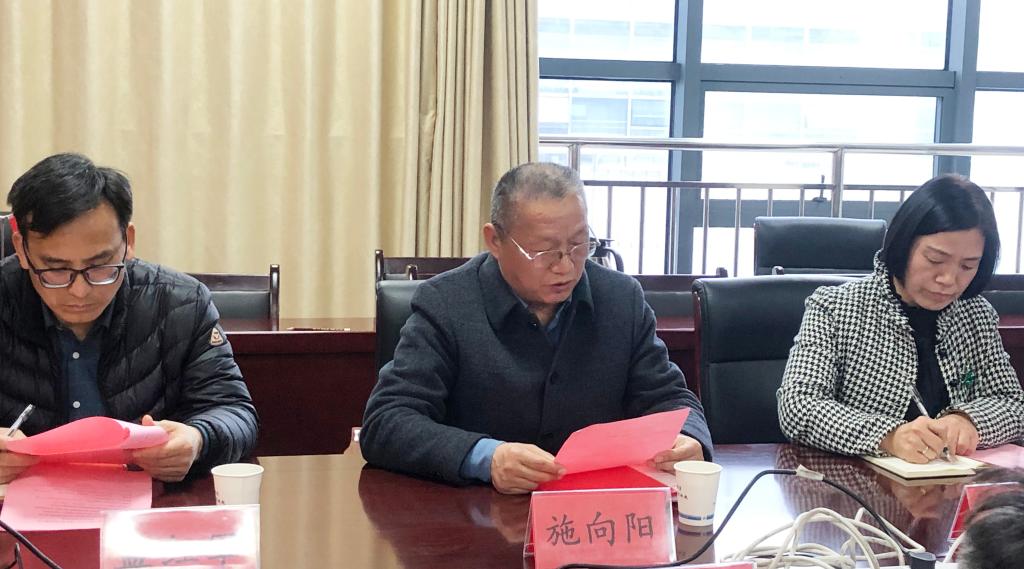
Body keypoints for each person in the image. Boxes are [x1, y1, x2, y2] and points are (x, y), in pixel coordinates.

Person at [361, 162, 712, 494]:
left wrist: (689, 437)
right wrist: (486, 457)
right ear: (495, 241)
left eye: (579, 244)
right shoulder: (447, 303)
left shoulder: (620, 298)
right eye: (544, 251)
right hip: (480, 515)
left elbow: (669, 397)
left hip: (593, 511)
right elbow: (387, 420)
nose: (566, 267)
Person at [0, 153, 258, 483]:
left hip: (150, 504)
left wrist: (197, 439)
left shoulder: (180, 303)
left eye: (100, 266)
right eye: (56, 269)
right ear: (21, 248)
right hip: (20, 506)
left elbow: (235, 412)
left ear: (128, 241)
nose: (79, 291)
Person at [778, 174, 1024, 463]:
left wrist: (968, 420)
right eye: (935, 260)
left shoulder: (975, 315)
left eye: (968, 266)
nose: (949, 279)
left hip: (952, 481)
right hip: (857, 482)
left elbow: (1013, 403)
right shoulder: (835, 308)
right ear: (904, 245)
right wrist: (888, 436)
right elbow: (798, 406)